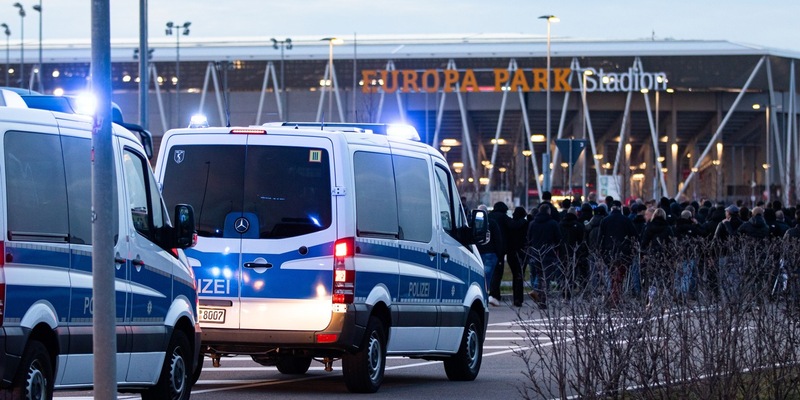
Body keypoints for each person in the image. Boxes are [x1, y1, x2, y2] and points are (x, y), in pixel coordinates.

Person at [597, 204, 638, 306]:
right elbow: (635, 236)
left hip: (609, 252)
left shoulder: (605, 220)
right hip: (624, 252)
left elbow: (600, 238)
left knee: (613, 276)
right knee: (620, 277)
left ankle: (614, 298)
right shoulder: (626, 220)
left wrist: (600, 251)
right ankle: (616, 298)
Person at [526, 203, 562, 309]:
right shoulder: (553, 223)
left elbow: (529, 239)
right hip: (549, 253)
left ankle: (538, 292)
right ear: (548, 211)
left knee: (539, 274)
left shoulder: (532, 223)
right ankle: (542, 298)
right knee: (547, 278)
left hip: (535, 253)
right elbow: (558, 239)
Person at [476, 204, 503, 301]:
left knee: (478, 276)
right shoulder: (492, 223)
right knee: (488, 277)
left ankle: (480, 297)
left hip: (477, 253)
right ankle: (485, 297)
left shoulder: (474, 223)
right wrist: (500, 254)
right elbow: (498, 239)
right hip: (490, 253)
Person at [507, 206, 530, 307]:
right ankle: (519, 298)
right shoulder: (526, 224)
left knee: (514, 275)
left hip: (511, 252)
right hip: (522, 252)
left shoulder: (510, 224)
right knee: (520, 275)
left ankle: (515, 297)